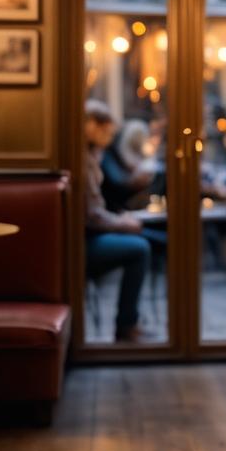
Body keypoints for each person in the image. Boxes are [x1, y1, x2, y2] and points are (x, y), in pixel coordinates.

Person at [83, 100, 153, 344]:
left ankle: (129, 323)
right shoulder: (83, 159)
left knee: (143, 237)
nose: (111, 136)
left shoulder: (93, 155)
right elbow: (91, 216)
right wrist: (122, 223)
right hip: (84, 243)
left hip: (92, 233)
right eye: (108, 130)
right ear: (92, 126)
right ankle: (126, 325)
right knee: (140, 248)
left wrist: (121, 221)